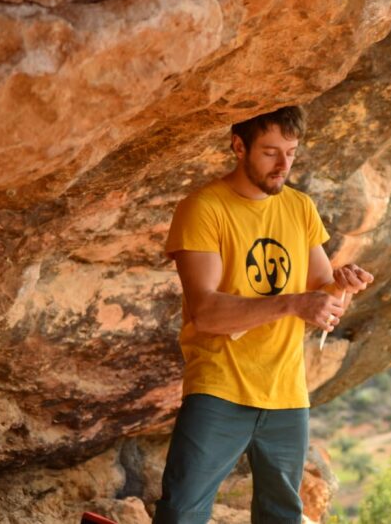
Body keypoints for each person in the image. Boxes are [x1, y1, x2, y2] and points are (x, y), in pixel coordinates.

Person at [153, 106, 373, 524]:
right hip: (220, 385)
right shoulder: (203, 208)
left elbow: (323, 303)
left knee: (281, 517)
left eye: (291, 152)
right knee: (181, 512)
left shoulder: (300, 208)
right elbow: (206, 312)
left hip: (286, 391)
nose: (284, 165)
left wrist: (342, 286)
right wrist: (292, 302)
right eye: (271, 152)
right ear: (239, 146)